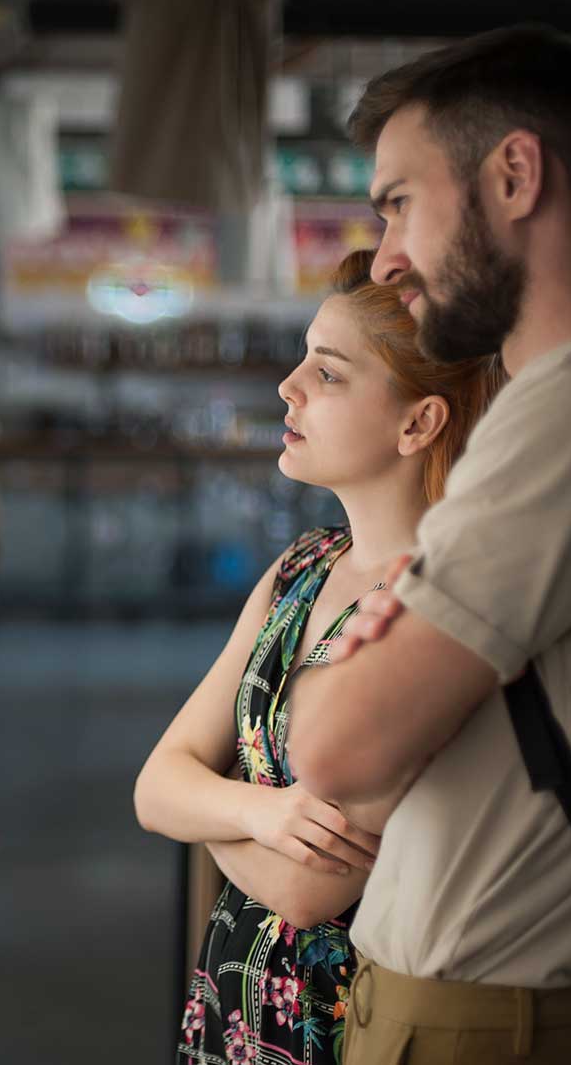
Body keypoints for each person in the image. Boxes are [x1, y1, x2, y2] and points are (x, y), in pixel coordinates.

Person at [284, 26, 571, 1065]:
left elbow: (332, 747)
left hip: (493, 1023)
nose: (385, 257)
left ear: (513, 175)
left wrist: (360, 646)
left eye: (399, 204)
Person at [135, 249, 502, 1065]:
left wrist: (208, 802)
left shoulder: (438, 606)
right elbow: (153, 785)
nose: (287, 386)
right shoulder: (301, 567)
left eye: (328, 374)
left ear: (419, 423)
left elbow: (308, 891)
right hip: (232, 1006)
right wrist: (259, 812)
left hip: (340, 1025)